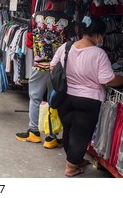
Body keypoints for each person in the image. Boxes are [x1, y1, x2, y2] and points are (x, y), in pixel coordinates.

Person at [51, 16, 123, 177]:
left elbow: (52, 67)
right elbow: (108, 79)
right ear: (98, 35)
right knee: (81, 134)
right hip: (89, 100)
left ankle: (74, 159)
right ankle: (71, 167)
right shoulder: (98, 54)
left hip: (66, 97)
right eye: (102, 36)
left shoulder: (66, 47)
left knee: (69, 130)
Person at [15, 0, 73, 148]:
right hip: (58, 69)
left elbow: (28, 42)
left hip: (39, 66)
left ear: (51, 1)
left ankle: (33, 132)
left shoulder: (35, 16)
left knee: (35, 98)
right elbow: (70, 46)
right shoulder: (69, 20)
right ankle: (51, 137)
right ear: (64, 3)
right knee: (53, 100)